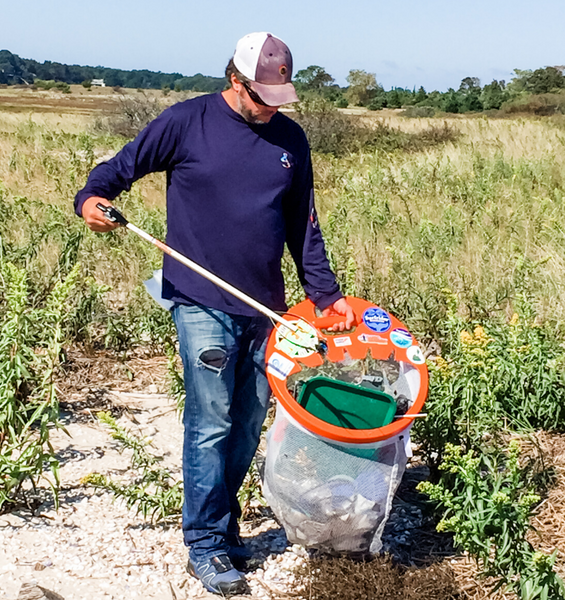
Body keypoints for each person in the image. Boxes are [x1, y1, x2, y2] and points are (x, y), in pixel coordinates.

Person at [75, 31, 356, 596]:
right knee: (212, 422)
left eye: (280, 96)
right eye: (261, 96)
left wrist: (327, 296)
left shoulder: (290, 140)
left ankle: (224, 529)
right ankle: (203, 542)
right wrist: (92, 199)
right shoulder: (186, 122)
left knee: (250, 418)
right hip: (200, 299)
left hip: (267, 310)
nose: (270, 107)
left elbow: (304, 222)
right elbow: (119, 169)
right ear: (235, 80)